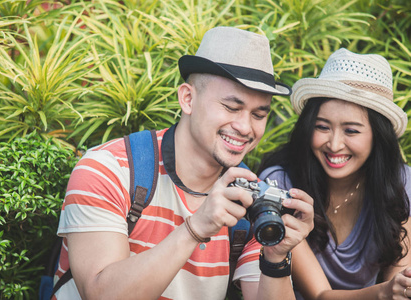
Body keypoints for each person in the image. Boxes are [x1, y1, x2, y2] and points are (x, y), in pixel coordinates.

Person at [52, 26, 314, 300]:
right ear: (188, 99)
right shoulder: (109, 169)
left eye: (258, 114)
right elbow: (100, 296)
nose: (245, 127)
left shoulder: (250, 199)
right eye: (231, 107)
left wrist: (276, 257)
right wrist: (195, 228)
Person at [258, 48, 411, 299]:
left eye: (351, 131)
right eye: (322, 127)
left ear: (378, 137)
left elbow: (400, 279)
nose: (334, 144)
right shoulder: (281, 185)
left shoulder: (401, 182)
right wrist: (385, 292)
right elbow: (319, 295)